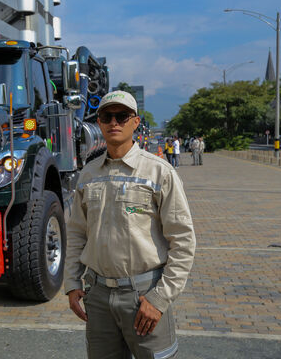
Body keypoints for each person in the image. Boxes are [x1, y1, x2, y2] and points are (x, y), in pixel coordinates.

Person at [65, 90, 196, 359]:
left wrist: (160, 299)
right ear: (99, 122)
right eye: (107, 116)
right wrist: (70, 281)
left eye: (122, 116)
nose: (114, 122)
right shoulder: (88, 174)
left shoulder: (160, 172)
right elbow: (77, 231)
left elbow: (183, 240)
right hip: (98, 297)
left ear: (135, 122)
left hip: (144, 296)